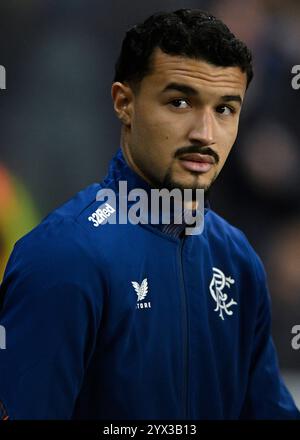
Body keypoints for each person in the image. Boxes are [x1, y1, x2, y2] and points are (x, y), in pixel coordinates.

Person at [0, 9, 299, 420]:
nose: (205, 133)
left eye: (225, 109)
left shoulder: (238, 259)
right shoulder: (63, 258)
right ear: (124, 103)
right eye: (179, 102)